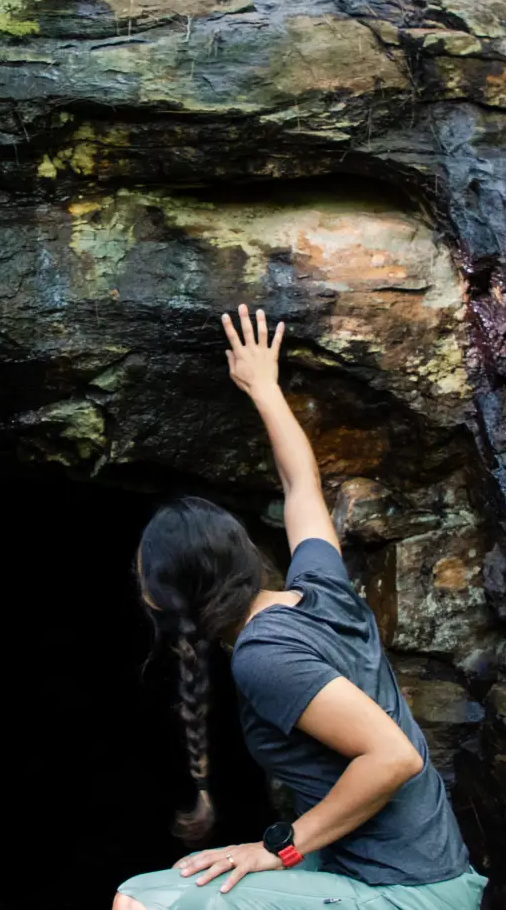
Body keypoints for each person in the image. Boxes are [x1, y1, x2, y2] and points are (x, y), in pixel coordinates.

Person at [116, 305, 486, 910]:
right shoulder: (317, 587)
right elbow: (302, 487)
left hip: (406, 891)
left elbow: (391, 756)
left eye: (143, 576)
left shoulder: (264, 656)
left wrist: (279, 848)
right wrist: (263, 386)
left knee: (139, 902)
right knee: (187, 878)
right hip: (418, 864)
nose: (139, 587)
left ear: (177, 595)